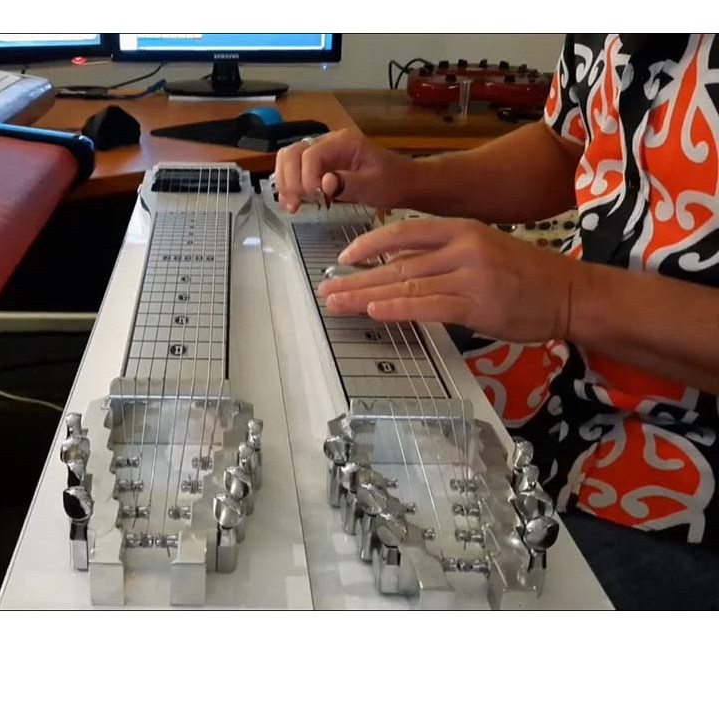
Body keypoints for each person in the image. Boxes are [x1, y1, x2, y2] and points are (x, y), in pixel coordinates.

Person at [275, 34, 719, 609]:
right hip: (557, 381)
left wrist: (567, 296)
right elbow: (567, 146)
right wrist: (412, 179)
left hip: (683, 485)